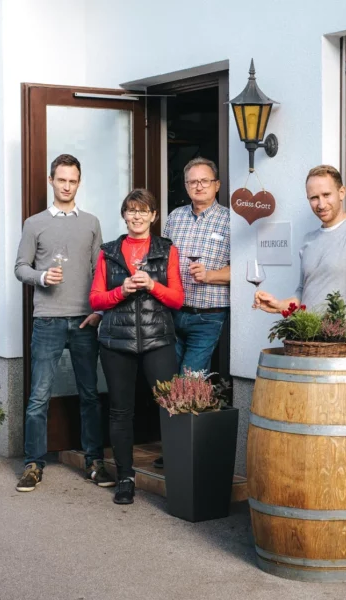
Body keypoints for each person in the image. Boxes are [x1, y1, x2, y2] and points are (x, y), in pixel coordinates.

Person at [14, 154, 112, 493]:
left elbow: (100, 270)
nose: (67, 185)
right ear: (52, 181)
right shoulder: (34, 223)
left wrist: (99, 311)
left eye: (72, 180)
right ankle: (33, 464)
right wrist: (42, 276)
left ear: (78, 182)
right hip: (48, 321)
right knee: (39, 394)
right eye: (61, 180)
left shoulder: (91, 222)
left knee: (89, 394)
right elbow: (20, 267)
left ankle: (94, 461)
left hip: (84, 320)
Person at [89, 188, 184, 505]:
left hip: (158, 338)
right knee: (120, 412)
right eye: (131, 210)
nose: (137, 216)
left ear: (154, 216)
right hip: (117, 341)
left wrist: (153, 285)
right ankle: (125, 478)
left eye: (143, 211)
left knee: (170, 408)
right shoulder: (109, 251)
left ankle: (179, 477)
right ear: (124, 215)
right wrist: (122, 290)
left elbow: (177, 299)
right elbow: (95, 298)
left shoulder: (167, 250)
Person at [255, 165, 346, 367]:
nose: (320, 204)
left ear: (342, 192)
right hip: (303, 343)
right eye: (313, 198)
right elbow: (303, 292)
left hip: (338, 346)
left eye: (326, 195)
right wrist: (278, 304)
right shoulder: (309, 240)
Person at [157, 157, 231, 469]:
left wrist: (211, 275)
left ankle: (185, 452)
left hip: (208, 314)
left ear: (217, 185)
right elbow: (160, 257)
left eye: (205, 181)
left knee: (190, 378)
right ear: (186, 186)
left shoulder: (231, 220)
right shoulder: (175, 218)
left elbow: (246, 269)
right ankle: (176, 446)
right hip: (173, 313)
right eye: (192, 182)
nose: (198, 186)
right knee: (168, 380)